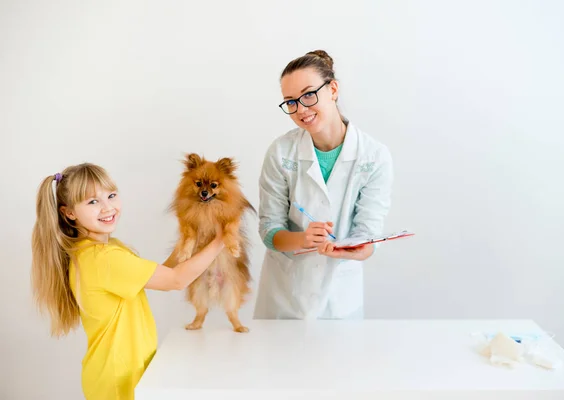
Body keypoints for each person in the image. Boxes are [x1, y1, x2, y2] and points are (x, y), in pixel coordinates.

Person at [30, 163, 224, 400]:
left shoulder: (100, 250)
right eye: (93, 202)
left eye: (111, 196)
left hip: (116, 374)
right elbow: (176, 280)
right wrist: (222, 239)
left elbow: (161, 273)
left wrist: (189, 238)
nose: (107, 207)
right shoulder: (104, 258)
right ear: (69, 212)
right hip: (118, 380)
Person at [253, 50, 394, 320]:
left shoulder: (374, 156)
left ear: (333, 89)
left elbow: (369, 234)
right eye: (290, 102)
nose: (301, 109)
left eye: (308, 95)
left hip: (339, 298)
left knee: (340, 361)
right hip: (284, 296)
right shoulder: (281, 152)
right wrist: (303, 238)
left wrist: (356, 247)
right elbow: (269, 230)